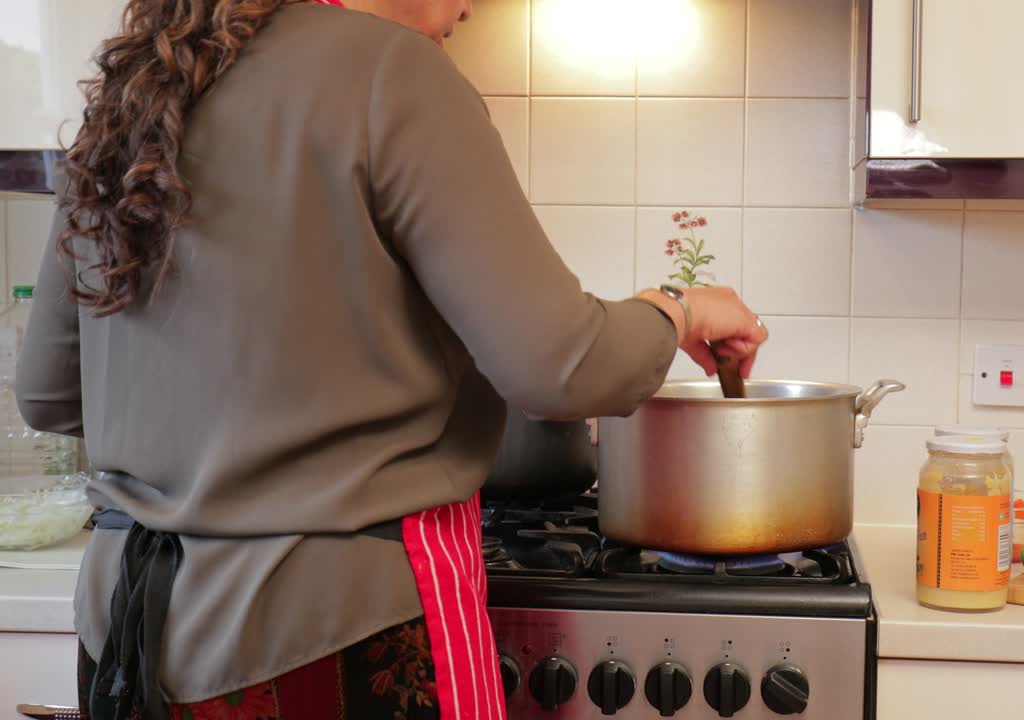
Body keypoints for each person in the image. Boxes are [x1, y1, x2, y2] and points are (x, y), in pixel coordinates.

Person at [14, 1, 769, 719]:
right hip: (332, 640)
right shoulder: (392, 73)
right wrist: (680, 306)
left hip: (128, 638)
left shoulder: (137, 87)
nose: (470, 10)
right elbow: (560, 366)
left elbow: (50, 394)